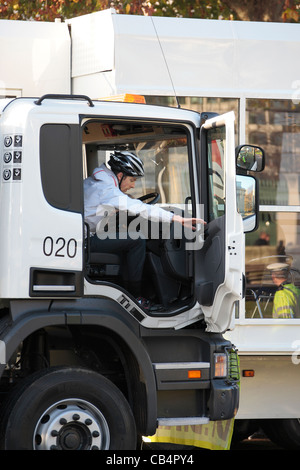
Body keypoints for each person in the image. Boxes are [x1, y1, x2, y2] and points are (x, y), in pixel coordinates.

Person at [84, 151, 205, 306]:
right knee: (137, 240)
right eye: (132, 180)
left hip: (81, 236)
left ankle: (124, 288)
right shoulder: (107, 191)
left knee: (125, 238)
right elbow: (142, 209)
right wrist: (177, 218)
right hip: (85, 241)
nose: (133, 185)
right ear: (120, 176)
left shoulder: (98, 182)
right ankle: (135, 296)